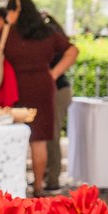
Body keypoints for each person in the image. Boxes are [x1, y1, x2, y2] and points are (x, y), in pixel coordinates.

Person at [0, 0, 78, 198]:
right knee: (39, 140)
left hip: (14, 88)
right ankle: (38, 186)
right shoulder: (47, 32)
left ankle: (14, 183)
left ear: (17, 12)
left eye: (10, 10)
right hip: (43, 87)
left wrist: (6, 26)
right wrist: (53, 73)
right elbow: (72, 51)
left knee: (13, 135)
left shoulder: (9, 33)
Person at [42, 11, 76, 193]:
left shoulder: (51, 40)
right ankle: (48, 174)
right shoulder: (53, 38)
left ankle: (53, 178)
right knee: (48, 135)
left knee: (53, 135)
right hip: (57, 90)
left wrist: (52, 75)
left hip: (58, 91)